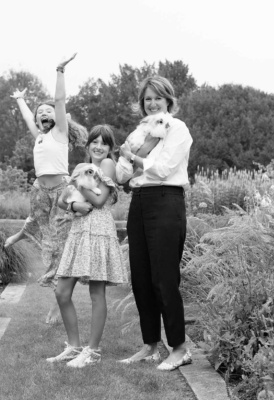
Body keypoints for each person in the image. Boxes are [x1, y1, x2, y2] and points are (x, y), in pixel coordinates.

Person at [116, 76, 193, 371]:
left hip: (166, 200)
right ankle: (150, 345)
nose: (152, 103)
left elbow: (162, 170)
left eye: (157, 98)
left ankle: (180, 348)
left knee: (164, 278)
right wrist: (131, 158)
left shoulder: (178, 129)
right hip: (140, 202)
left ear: (169, 100)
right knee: (141, 278)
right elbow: (123, 175)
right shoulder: (139, 131)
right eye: (147, 99)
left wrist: (134, 156)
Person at [5, 53, 87, 324]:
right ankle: (23, 235)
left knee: (58, 247)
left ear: (59, 117)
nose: (43, 113)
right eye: (41, 112)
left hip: (62, 192)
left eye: (48, 110)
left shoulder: (60, 133)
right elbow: (28, 116)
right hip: (39, 191)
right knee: (48, 245)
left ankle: (57, 303)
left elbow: (60, 101)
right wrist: (20, 99)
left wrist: (60, 71)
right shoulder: (39, 136)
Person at [46, 125, 128, 368]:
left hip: (99, 230)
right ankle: (74, 346)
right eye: (95, 142)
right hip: (79, 230)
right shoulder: (82, 168)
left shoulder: (107, 166)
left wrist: (80, 185)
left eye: (104, 143)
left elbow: (100, 201)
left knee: (96, 293)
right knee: (61, 292)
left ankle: (92, 350)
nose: (99, 147)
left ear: (110, 148)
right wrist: (74, 206)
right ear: (88, 145)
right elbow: (62, 200)